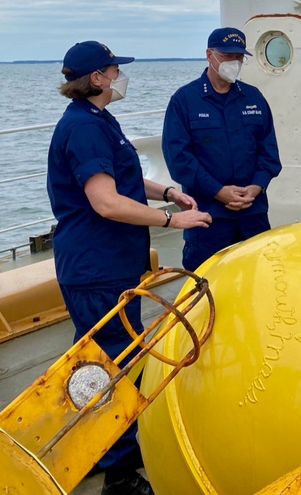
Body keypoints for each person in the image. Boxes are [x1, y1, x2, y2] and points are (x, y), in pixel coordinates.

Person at [48, 41, 212, 495]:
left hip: (110, 263)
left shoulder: (98, 120)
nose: (121, 76)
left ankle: (109, 447)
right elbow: (105, 202)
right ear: (97, 78)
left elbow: (121, 179)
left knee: (112, 357)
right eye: (115, 69)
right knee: (117, 364)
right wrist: (170, 220)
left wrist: (167, 193)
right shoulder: (82, 128)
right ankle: (119, 475)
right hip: (95, 265)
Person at [163, 27, 282, 271]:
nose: (234, 63)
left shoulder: (253, 97)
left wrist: (256, 187)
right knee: (207, 286)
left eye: (239, 58)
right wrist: (218, 191)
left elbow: (269, 153)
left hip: (253, 215)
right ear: (210, 55)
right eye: (227, 57)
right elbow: (179, 160)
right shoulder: (185, 100)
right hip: (208, 218)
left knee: (257, 280)